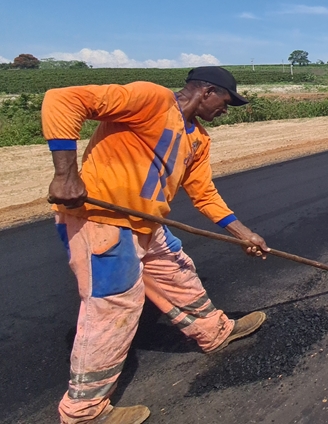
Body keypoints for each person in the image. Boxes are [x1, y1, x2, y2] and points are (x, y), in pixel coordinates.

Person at [43, 66, 270, 424]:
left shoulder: (198, 138)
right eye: (226, 101)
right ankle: (84, 411)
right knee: (115, 304)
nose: (226, 110)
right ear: (207, 92)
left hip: (148, 224)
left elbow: (204, 193)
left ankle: (214, 332)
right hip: (102, 220)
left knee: (179, 273)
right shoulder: (151, 100)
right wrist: (66, 174)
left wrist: (243, 233)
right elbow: (62, 100)